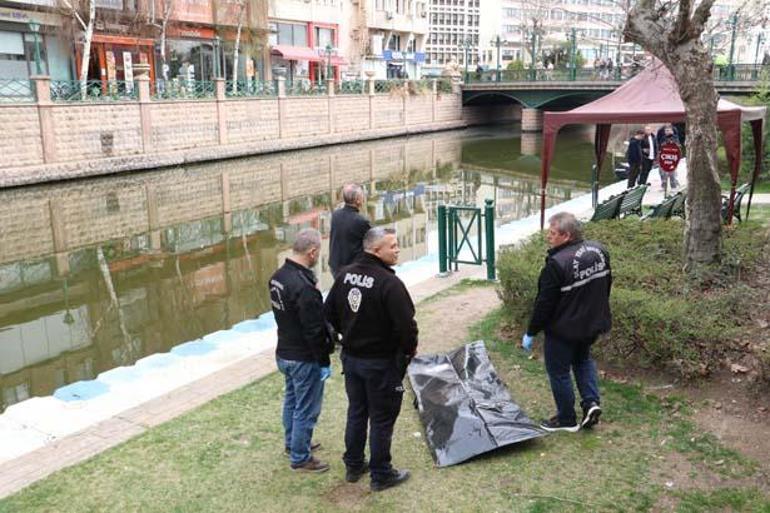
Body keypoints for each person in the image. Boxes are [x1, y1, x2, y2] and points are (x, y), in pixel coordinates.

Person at [324, 227, 418, 492]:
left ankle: (354, 465)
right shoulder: (389, 283)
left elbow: (328, 313)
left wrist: (346, 335)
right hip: (381, 364)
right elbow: (407, 327)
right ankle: (381, 473)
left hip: (352, 360)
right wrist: (407, 352)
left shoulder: (344, 275)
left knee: (357, 411)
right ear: (376, 250)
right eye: (393, 246)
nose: (398, 250)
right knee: (382, 417)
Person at [522, 212, 611, 432]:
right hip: (590, 323)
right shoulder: (599, 251)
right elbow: (606, 285)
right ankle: (591, 403)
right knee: (583, 361)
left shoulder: (556, 264)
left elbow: (544, 303)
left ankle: (566, 419)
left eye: (553, 233)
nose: (548, 237)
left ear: (567, 235)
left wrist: (531, 331)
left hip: (563, 328)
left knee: (559, 371)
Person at [269, 228, 334, 473]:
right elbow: (314, 329)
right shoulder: (304, 287)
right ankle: (300, 457)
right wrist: (324, 360)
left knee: (292, 401)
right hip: (303, 357)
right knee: (306, 408)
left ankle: (292, 443)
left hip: (284, 351)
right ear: (312, 252)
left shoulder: (278, 277)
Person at [329, 184, 372, 278]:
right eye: (362, 196)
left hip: (335, 265)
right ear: (357, 199)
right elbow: (372, 242)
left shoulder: (335, 215)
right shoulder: (361, 221)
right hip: (352, 268)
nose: (364, 198)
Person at [658, 125, 680, 191]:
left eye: (668, 130)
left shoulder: (675, 138)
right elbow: (661, 146)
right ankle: (663, 186)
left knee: (672, 173)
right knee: (663, 173)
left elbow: (676, 146)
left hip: (672, 158)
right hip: (664, 157)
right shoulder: (663, 138)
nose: (667, 132)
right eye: (666, 131)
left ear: (672, 131)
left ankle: (673, 186)